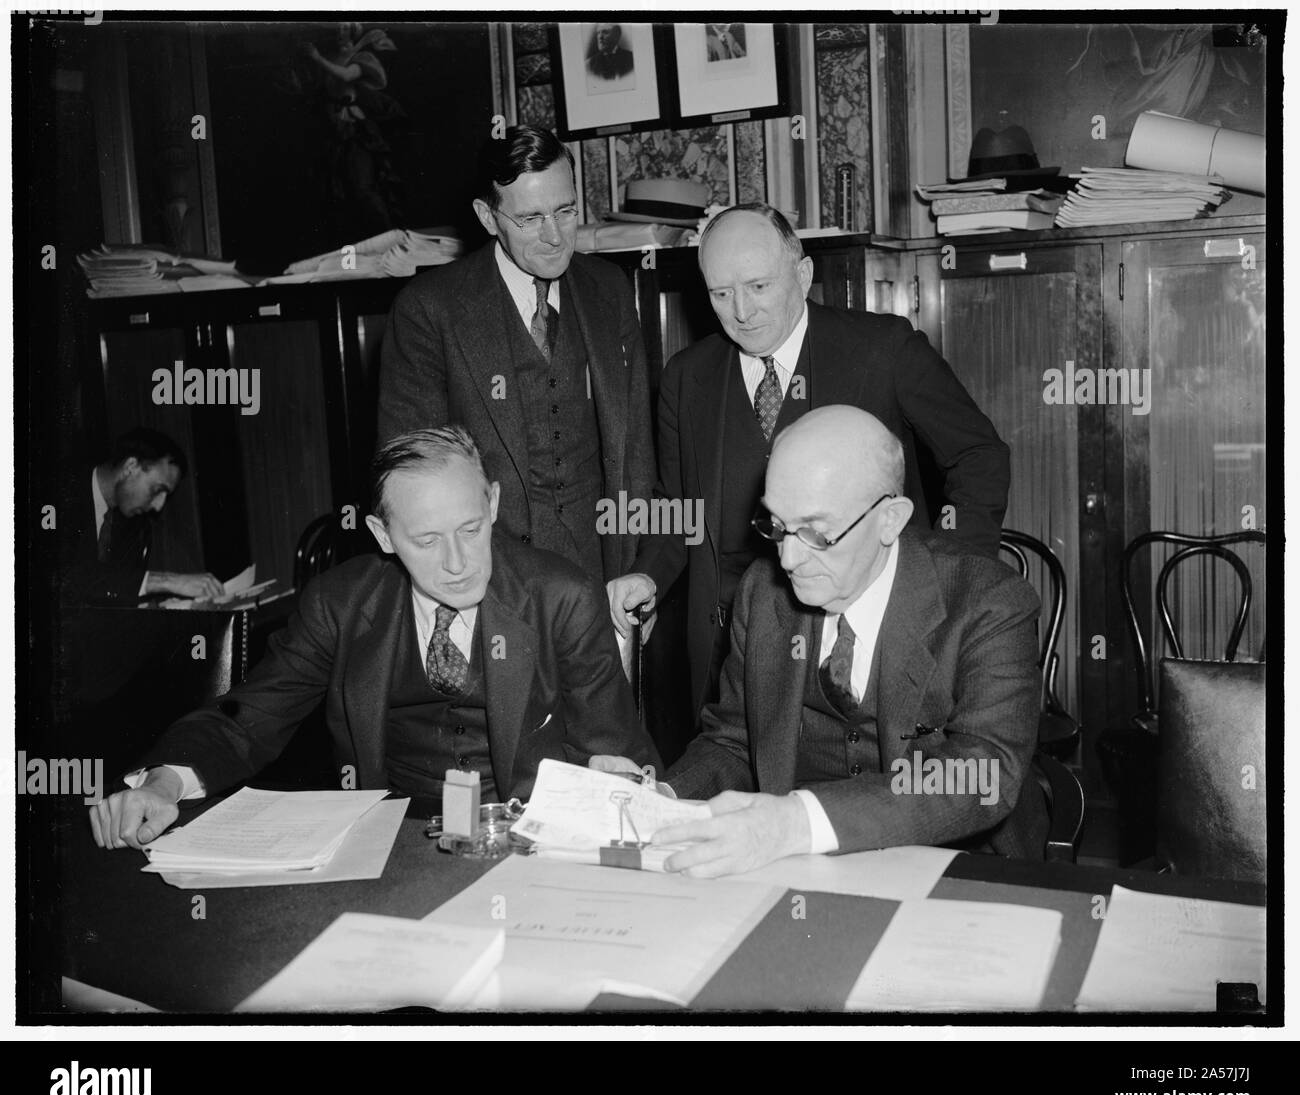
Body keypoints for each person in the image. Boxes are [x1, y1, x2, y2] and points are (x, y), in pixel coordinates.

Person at [89, 426, 661, 851]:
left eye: (470, 528)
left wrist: (621, 788)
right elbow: (247, 721)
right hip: (388, 849)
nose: (459, 563)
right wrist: (162, 784)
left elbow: (617, 758)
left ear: (492, 503)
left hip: (526, 847)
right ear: (383, 536)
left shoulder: (562, 597)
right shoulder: (339, 605)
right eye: (427, 541)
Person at [598, 407, 1044, 877]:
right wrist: (661, 800)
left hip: (958, 867)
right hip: (801, 868)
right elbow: (734, 741)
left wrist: (796, 822)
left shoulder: (988, 601)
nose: (788, 559)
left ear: (890, 519)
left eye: (816, 533)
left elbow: (982, 773)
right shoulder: (763, 592)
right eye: (776, 526)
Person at [620, 203, 1011, 718]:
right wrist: (647, 576)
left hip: (864, 633)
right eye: (721, 293)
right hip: (731, 649)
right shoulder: (686, 376)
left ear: (803, 275)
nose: (742, 311)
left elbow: (979, 456)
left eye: (759, 286)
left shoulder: (884, 349)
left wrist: (948, 582)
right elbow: (677, 506)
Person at [377, 125, 656, 640]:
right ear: (488, 217)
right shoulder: (429, 310)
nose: (555, 236)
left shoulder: (610, 291)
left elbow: (635, 452)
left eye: (566, 211)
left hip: (604, 583)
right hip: (494, 593)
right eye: (530, 218)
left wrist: (641, 570)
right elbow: (412, 480)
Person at [59, 427, 222, 606]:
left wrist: (165, 607)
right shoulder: (58, 495)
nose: (158, 506)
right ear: (130, 467)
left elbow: (117, 593)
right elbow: (63, 580)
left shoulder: (137, 526)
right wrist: (165, 581)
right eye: (157, 490)